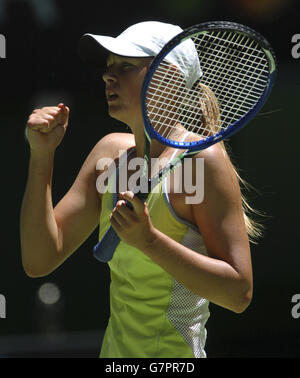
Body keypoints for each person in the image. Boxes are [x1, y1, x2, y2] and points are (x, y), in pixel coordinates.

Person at [20, 21, 257, 358]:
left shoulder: (203, 161)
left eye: (126, 66)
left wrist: (149, 240)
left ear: (169, 78)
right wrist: (41, 157)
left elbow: (239, 294)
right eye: (109, 66)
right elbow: (39, 259)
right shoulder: (107, 155)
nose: (108, 75)